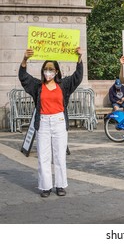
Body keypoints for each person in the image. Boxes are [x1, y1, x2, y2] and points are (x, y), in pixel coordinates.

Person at [18, 47, 83, 197]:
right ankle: (45, 186)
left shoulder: (64, 85)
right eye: (45, 69)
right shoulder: (37, 86)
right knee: (43, 156)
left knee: (59, 155)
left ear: (57, 71)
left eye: (51, 69)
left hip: (59, 121)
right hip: (43, 122)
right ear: (42, 71)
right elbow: (23, 78)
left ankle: (60, 185)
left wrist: (79, 59)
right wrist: (25, 59)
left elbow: (77, 77)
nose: (48, 72)